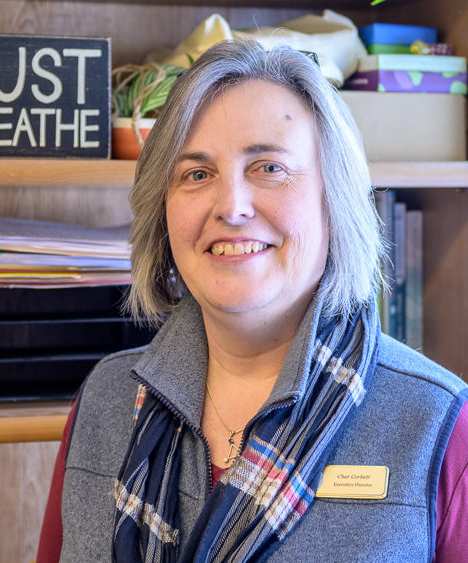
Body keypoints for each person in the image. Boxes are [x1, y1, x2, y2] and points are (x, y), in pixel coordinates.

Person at [37, 40, 468, 562]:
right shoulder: (104, 400)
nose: (232, 207)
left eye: (269, 167)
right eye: (197, 174)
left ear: (335, 200)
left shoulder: (440, 424)